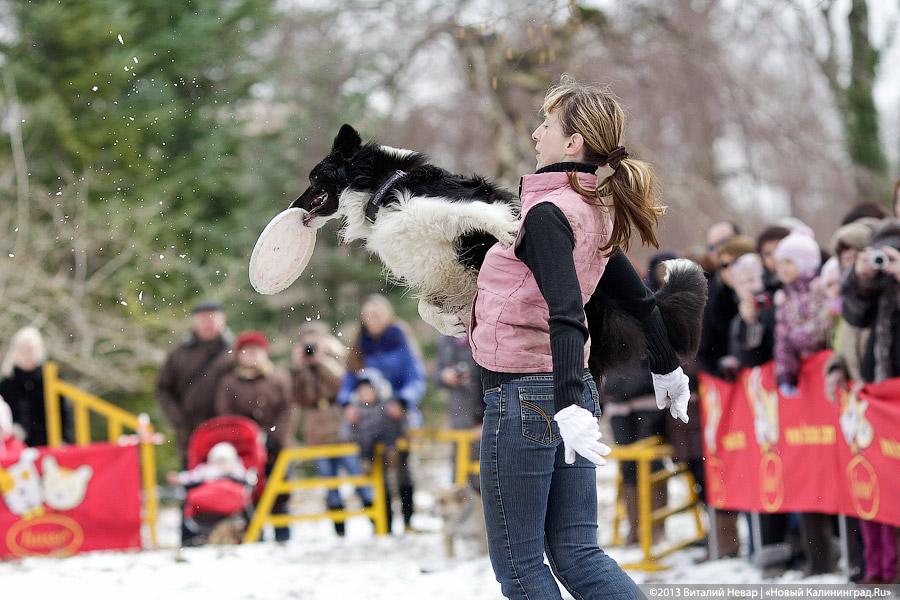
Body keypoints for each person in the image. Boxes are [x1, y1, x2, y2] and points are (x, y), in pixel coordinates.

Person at [469, 76, 698, 599]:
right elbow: (638, 300)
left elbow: (567, 312)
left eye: (546, 125)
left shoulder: (551, 212)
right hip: (561, 393)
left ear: (572, 143)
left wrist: (569, 404)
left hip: (529, 394)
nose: (534, 134)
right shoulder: (593, 208)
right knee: (578, 554)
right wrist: (666, 365)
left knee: (521, 568)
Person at [841, 219, 900, 584]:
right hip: (880, 383)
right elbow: (853, 317)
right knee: (881, 474)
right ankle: (882, 567)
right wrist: (862, 278)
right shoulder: (876, 271)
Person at [338, 294, 426, 532]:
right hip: (369, 415)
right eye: (367, 316)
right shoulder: (359, 345)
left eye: (376, 315)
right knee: (377, 469)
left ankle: (408, 518)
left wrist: (403, 400)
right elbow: (349, 380)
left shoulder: (400, 340)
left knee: (401, 467)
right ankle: (384, 521)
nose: (371, 320)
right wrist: (347, 403)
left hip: (397, 413)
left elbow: (415, 377)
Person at [292, 321, 372, 537]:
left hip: (339, 421)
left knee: (357, 475)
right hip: (316, 424)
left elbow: (341, 384)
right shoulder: (302, 365)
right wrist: (299, 368)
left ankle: (376, 521)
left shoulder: (337, 356)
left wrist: (322, 361)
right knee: (329, 482)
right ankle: (339, 530)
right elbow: (298, 397)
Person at [215, 330, 295, 542]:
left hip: (278, 446)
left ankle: (283, 536)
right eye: (247, 351)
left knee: (280, 493)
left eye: (256, 351)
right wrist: (247, 438)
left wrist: (275, 437)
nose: (252, 356)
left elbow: (288, 410)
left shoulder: (279, 378)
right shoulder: (229, 383)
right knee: (250, 493)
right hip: (245, 449)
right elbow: (226, 416)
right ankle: (254, 535)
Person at [156, 301, 233, 459]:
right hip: (190, 431)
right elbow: (163, 389)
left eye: (212, 318)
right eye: (203, 319)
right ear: (195, 322)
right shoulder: (179, 353)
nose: (208, 323)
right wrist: (179, 421)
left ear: (223, 320)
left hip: (228, 429)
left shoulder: (235, 352)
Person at [0, 326, 71, 446]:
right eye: (23, 350)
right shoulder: (6, 385)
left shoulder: (52, 379)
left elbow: (65, 411)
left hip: (52, 445)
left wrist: (65, 438)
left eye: (31, 349)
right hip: (18, 450)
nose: (28, 354)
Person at [433, 334, 483, 488]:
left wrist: (486, 421)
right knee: (460, 474)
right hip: (459, 417)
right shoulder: (446, 338)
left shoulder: (482, 333)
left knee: (482, 476)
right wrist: (445, 376)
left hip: (483, 418)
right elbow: (436, 375)